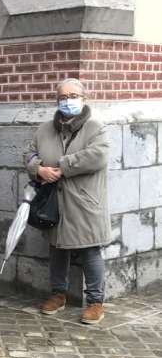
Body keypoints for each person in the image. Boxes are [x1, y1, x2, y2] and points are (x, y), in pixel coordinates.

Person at [24, 78, 110, 324]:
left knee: (90, 249)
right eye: (63, 97)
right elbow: (29, 152)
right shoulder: (44, 129)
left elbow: (98, 155)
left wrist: (62, 167)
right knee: (57, 248)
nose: (68, 101)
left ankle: (95, 301)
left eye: (73, 96)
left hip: (84, 202)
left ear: (84, 99)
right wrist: (38, 169)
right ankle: (58, 294)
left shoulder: (95, 128)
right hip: (55, 202)